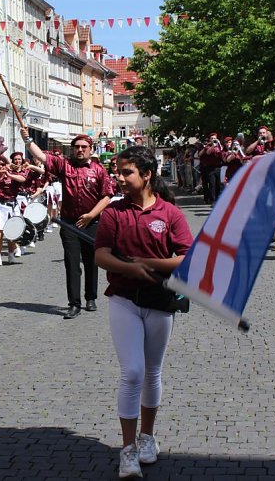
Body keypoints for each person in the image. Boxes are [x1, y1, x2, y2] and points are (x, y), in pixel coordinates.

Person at [93, 145, 194, 480]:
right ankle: (128, 449)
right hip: (123, 299)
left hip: (160, 301)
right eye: (117, 172)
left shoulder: (169, 213)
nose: (119, 178)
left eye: (126, 172)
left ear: (147, 174)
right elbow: (101, 255)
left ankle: (147, 438)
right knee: (132, 372)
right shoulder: (113, 213)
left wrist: (148, 264)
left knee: (152, 371)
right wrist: (128, 269)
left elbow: (188, 257)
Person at [21, 127, 115, 319]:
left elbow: (106, 196)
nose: (80, 150)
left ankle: (91, 298)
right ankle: (74, 303)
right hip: (69, 223)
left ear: (91, 149)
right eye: (77, 147)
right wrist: (28, 141)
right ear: (73, 149)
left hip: (92, 222)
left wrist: (91, 215)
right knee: (72, 264)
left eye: (84, 147)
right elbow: (44, 158)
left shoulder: (98, 170)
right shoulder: (65, 166)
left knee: (91, 262)